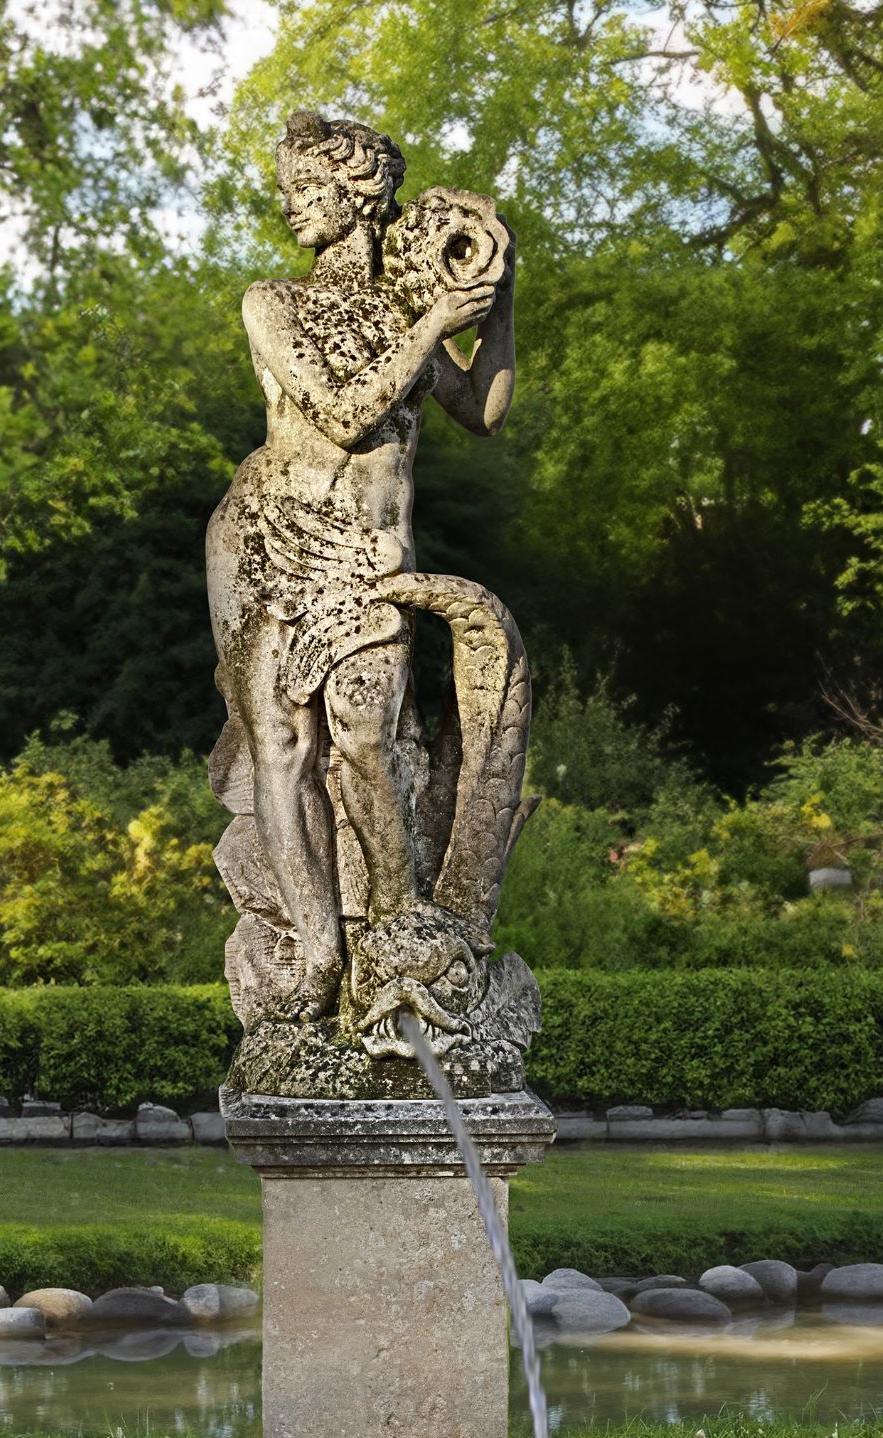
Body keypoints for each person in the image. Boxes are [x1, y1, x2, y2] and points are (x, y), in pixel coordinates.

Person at [206, 110, 515, 1022]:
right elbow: (344, 413)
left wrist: (501, 299)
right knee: (285, 751)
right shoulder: (273, 303)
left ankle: (397, 922)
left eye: (308, 190)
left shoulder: (405, 310)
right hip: (278, 542)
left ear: (360, 197)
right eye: (290, 191)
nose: (292, 207)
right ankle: (317, 954)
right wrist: (434, 327)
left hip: (371, 554)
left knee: (367, 733)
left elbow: (485, 413)